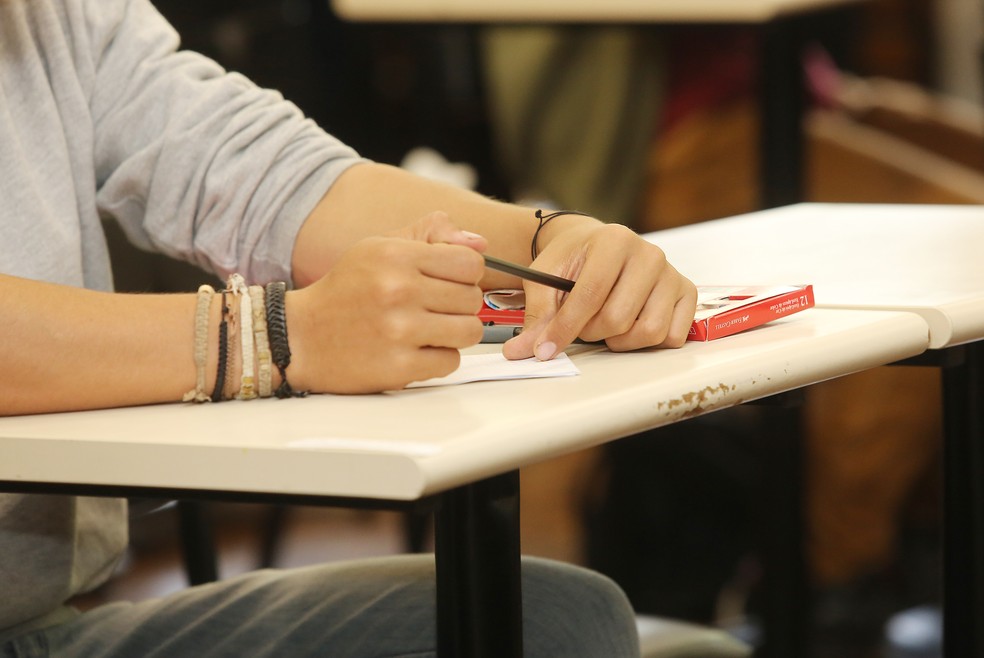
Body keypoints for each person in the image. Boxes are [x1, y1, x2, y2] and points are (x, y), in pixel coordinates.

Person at [0, 1, 698, 657]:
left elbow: (254, 168)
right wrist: (280, 335)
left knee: (556, 621)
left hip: (43, 622)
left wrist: (552, 240)